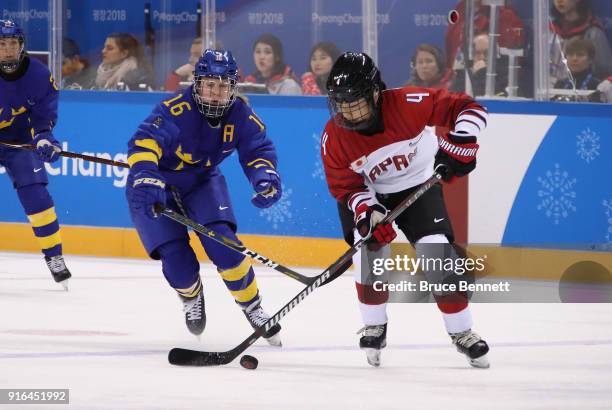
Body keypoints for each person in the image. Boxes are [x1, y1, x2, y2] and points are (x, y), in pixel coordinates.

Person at [320, 52, 490, 368]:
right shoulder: (334, 139)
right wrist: (367, 214)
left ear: (374, 92)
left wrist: (462, 140)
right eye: (339, 102)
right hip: (369, 193)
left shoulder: (408, 103)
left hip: (418, 184)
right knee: (368, 254)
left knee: (436, 252)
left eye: (353, 101)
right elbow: (346, 188)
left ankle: (461, 331)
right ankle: (375, 325)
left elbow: (469, 108)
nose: (346, 111)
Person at [125, 49, 282, 344]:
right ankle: (191, 295)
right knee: (177, 263)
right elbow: (144, 142)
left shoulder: (241, 114)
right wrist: (146, 174)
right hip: (155, 184)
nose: (216, 93)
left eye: (223, 86)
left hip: (201, 181)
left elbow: (258, 150)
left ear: (233, 88)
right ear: (197, 84)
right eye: (210, 84)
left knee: (225, 246)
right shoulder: (174, 109)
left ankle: (252, 306)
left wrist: (264, 177)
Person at [0, 20, 72, 288]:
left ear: (21, 46)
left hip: (19, 142)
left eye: (12, 44)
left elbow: (43, 118)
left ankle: (54, 256)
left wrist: (44, 138)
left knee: (36, 194)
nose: (8, 50)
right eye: (2, 44)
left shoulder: (39, 76)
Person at [445, 0, 525, 72]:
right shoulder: (460, 9)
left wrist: (480, 75)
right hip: (459, 79)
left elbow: (509, 64)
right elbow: (450, 50)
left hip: (489, 82)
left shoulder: (504, 15)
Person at [550, 0, 612, 83]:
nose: (559, 1)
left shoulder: (593, 33)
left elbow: (605, 72)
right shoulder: (548, 32)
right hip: (550, 90)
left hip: (584, 91)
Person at [552, 37, 602, 102]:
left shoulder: (597, 86)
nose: (574, 59)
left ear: (590, 60)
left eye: (580, 55)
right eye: (570, 54)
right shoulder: (560, 84)